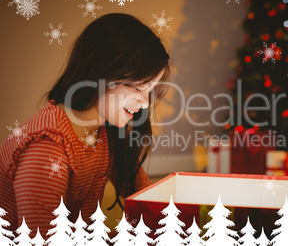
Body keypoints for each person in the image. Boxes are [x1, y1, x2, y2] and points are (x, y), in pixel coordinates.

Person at [0, 13, 171, 238]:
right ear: (102, 72)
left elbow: (151, 205)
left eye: (150, 92)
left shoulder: (108, 133)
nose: (144, 103)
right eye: (138, 88)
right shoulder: (48, 146)